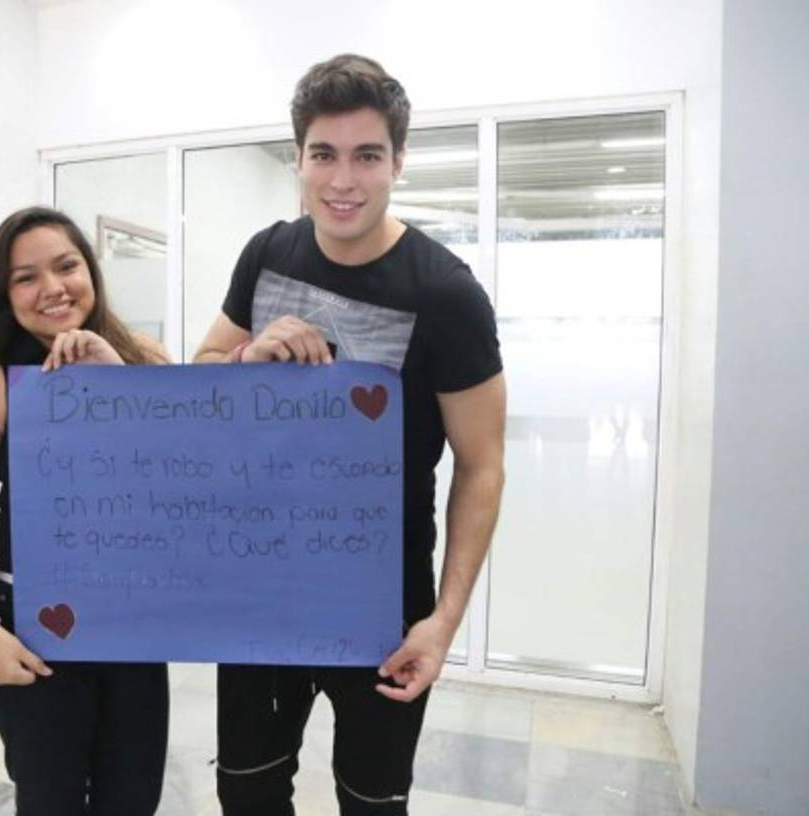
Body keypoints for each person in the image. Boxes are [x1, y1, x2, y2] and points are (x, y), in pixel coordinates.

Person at [193, 54, 507, 815]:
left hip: (384, 607)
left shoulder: (447, 293)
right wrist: (247, 359)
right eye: (323, 155)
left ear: (398, 161)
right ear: (298, 160)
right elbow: (204, 373)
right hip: (263, 584)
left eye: (367, 156)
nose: (342, 180)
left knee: (372, 801)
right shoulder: (268, 253)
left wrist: (442, 622)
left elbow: (482, 466)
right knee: (248, 794)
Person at [0, 207, 171, 815]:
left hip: (132, 618)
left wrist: (121, 385)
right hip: (29, 625)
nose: (53, 288)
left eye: (66, 266)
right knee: (51, 799)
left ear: (91, 271)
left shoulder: (141, 357)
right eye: (26, 277)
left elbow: (183, 479)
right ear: (3, 294)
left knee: (132, 799)